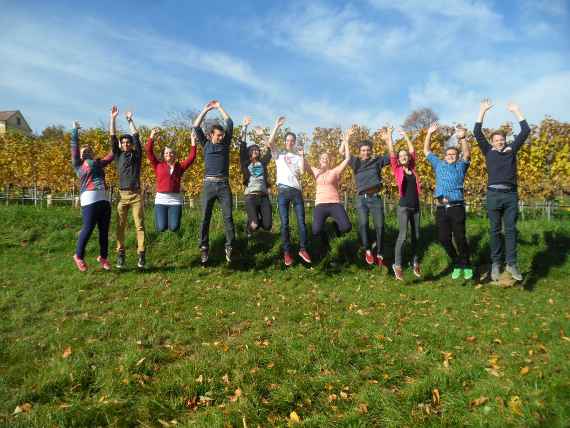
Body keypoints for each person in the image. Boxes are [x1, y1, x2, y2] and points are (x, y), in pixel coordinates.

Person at [474, 99, 530, 282]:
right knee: (495, 231)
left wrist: (517, 111)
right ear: (492, 142)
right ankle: (496, 264)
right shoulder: (488, 151)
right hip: (493, 195)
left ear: (505, 140)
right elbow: (477, 132)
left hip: (510, 195)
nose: (499, 142)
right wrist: (482, 110)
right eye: (496, 140)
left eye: (502, 139)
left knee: (511, 230)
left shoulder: (511, 150)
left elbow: (525, 131)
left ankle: (512, 264)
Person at [424, 122, 473, 280]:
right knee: (443, 238)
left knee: (459, 237)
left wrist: (463, 138)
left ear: (456, 157)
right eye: (448, 154)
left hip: (456, 207)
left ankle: (465, 264)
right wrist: (429, 133)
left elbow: (467, 154)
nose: (451, 156)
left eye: (454, 154)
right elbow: (426, 151)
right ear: (444, 156)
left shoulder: (460, 167)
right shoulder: (438, 165)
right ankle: (458, 261)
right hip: (441, 208)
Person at [192, 100, 235, 264]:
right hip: (209, 185)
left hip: (224, 185)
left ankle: (229, 246)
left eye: (222, 135)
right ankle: (204, 248)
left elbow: (230, 122)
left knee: (228, 217)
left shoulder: (225, 144)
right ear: (211, 135)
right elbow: (196, 127)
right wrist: (205, 110)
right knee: (204, 218)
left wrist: (219, 108)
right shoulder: (205, 144)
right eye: (218, 135)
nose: (221, 137)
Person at [70, 120, 114, 272]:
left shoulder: (99, 163)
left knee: (104, 231)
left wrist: (117, 143)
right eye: (83, 151)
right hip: (89, 200)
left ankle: (103, 257)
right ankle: (78, 256)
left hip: (104, 200)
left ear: (92, 153)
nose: (85, 152)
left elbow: (112, 155)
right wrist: (75, 130)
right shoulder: (78, 165)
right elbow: (74, 147)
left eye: (88, 150)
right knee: (88, 228)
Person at [268, 116, 312, 266]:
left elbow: (301, 172)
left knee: (301, 222)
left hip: (296, 191)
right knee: (285, 223)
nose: (290, 142)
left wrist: (302, 156)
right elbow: (269, 142)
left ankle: (303, 249)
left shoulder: (297, 156)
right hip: (283, 191)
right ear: (285, 141)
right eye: (287, 140)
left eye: (292, 140)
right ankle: (287, 253)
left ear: (294, 142)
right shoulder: (278, 154)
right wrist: (277, 125)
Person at [346, 128, 391, 268]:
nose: (365, 152)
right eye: (363, 150)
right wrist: (346, 139)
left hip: (376, 198)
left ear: (371, 150)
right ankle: (367, 250)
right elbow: (343, 153)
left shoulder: (377, 161)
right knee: (363, 224)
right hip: (361, 199)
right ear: (360, 151)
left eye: (367, 150)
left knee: (380, 226)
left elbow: (392, 156)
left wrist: (389, 139)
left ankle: (380, 252)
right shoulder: (355, 162)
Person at [382, 126, 422, 281]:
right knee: (403, 236)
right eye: (401, 155)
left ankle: (415, 262)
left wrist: (406, 135)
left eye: (406, 155)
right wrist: (390, 137)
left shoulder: (413, 168)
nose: (404, 156)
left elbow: (413, 150)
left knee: (417, 236)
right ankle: (397, 265)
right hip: (404, 207)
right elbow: (392, 153)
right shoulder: (397, 169)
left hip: (416, 207)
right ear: (399, 159)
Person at [110, 106, 146, 269]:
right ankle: (121, 254)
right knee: (120, 226)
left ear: (131, 145)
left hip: (136, 195)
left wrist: (130, 120)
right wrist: (113, 118)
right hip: (122, 196)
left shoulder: (136, 155)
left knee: (139, 225)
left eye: (127, 142)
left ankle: (141, 254)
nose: (125, 144)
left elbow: (137, 136)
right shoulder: (117, 155)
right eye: (123, 142)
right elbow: (112, 136)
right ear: (120, 145)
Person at [307, 126, 352, 254]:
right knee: (316, 231)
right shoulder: (316, 171)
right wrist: (301, 155)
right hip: (320, 204)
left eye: (327, 158)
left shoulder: (335, 171)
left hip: (334, 203)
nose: (325, 160)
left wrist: (346, 142)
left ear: (329, 161)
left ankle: (335, 228)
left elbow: (347, 159)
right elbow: (304, 165)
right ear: (320, 161)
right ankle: (326, 243)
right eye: (322, 158)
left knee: (347, 227)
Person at [145, 127, 197, 233]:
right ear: (163, 156)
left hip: (175, 200)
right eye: (166, 153)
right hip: (161, 200)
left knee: (174, 227)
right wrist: (151, 136)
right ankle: (163, 221)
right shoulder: (158, 165)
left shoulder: (180, 167)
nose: (168, 154)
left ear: (174, 154)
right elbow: (149, 152)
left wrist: (193, 141)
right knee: (161, 227)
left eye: (171, 153)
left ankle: (172, 223)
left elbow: (191, 157)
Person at [239, 117, 272, 237]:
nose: (255, 151)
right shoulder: (245, 163)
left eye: (257, 150)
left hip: (263, 197)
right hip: (250, 197)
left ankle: (256, 220)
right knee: (254, 225)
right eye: (253, 150)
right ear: (249, 152)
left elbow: (270, 150)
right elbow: (242, 145)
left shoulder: (262, 163)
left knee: (267, 226)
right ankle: (249, 228)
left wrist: (262, 135)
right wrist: (245, 126)